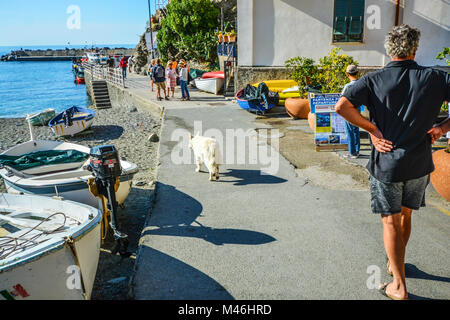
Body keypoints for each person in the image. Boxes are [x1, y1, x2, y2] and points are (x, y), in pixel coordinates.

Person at [335, 24, 450, 300]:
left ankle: (398, 286)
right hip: (420, 163)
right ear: (414, 49)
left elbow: (341, 106)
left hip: (387, 163)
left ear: (389, 49)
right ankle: (394, 264)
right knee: (405, 216)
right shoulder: (435, 78)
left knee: (390, 221)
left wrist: (372, 130)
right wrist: (443, 129)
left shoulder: (373, 80)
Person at [341, 65, 361, 159]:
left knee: (349, 132)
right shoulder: (361, 84)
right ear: (357, 73)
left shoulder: (347, 86)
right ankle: (357, 151)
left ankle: (352, 152)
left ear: (347, 74)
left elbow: (342, 99)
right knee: (356, 131)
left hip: (348, 112)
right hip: (357, 111)